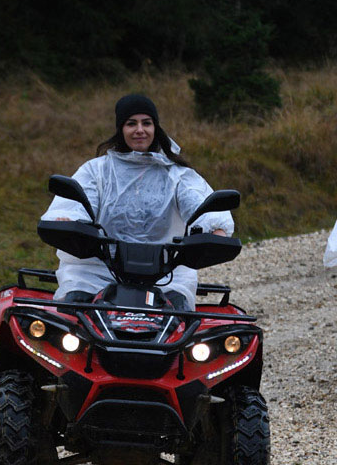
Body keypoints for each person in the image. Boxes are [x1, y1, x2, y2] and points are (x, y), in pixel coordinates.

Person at [42, 93, 232, 309]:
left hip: (165, 273)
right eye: (131, 123)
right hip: (96, 271)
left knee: (181, 320)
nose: (139, 130)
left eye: (146, 123)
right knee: (72, 314)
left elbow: (199, 200)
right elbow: (78, 201)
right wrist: (67, 220)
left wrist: (216, 228)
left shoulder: (177, 175)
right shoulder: (97, 171)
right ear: (121, 129)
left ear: (155, 128)